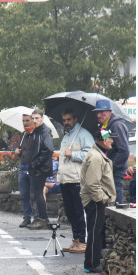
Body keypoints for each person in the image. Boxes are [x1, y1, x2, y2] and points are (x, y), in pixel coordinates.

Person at [57, 108, 93, 254]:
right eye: (64, 120)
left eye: (69, 120)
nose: (66, 123)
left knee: (79, 212)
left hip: (77, 179)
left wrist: (74, 154)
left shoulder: (83, 134)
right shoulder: (66, 136)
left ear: (75, 119)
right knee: (70, 212)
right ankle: (76, 240)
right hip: (65, 179)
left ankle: (82, 240)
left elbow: (90, 154)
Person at [80, 129, 116, 273]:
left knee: (95, 230)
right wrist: (102, 199)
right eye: (109, 138)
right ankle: (92, 264)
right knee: (95, 231)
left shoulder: (98, 154)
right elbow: (92, 184)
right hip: (95, 201)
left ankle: (91, 263)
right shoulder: (96, 157)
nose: (112, 140)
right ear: (102, 141)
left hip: (95, 200)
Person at [93, 99, 130, 204]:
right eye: (97, 112)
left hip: (115, 171)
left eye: (101, 112)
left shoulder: (116, 125)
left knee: (116, 200)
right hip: (109, 170)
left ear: (109, 111)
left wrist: (111, 166)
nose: (98, 115)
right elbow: (107, 147)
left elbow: (124, 150)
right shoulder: (105, 125)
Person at [26, 109, 54, 230]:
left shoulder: (45, 132)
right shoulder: (36, 132)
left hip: (40, 168)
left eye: (37, 118)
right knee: (36, 193)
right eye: (33, 118)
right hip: (37, 167)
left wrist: (35, 163)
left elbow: (48, 150)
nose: (34, 120)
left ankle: (42, 219)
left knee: (38, 193)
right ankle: (43, 218)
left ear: (42, 118)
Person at [14, 113, 38, 228]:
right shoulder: (23, 135)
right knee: (24, 194)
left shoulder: (37, 135)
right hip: (23, 167)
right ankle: (27, 217)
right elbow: (22, 151)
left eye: (27, 120)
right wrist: (18, 152)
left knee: (35, 193)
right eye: (23, 121)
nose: (25, 123)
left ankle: (37, 217)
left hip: (33, 167)